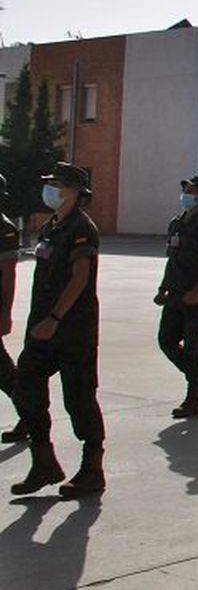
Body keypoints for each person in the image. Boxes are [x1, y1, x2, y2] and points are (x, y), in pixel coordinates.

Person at [10, 163, 106, 499]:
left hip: (71, 329)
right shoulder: (53, 225)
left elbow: (80, 277)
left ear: (75, 191)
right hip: (43, 327)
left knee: (79, 398)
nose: (50, 189)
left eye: (56, 184)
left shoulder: (81, 227)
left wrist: (54, 317)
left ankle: (92, 468)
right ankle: (43, 461)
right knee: (26, 386)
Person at [158, 175, 198, 418]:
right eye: (185, 189)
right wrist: (163, 288)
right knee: (166, 341)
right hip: (175, 294)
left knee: (193, 348)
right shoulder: (177, 223)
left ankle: (193, 398)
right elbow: (172, 260)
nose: (186, 193)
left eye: (192, 190)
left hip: (197, 299)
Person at [0, 175, 20, 444]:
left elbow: (8, 274)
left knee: (3, 371)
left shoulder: (4, 228)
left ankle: (30, 413)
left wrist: (5, 313)